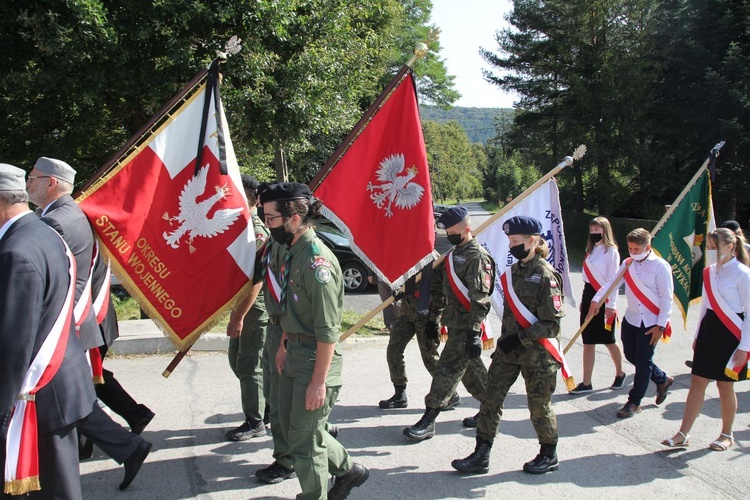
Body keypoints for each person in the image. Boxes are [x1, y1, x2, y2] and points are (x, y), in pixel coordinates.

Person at [27, 157, 152, 490]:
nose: (27, 183)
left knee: (64, 399)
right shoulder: (66, 214)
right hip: (73, 323)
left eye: (33, 177)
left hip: (63, 324)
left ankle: (125, 446)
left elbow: (50, 278)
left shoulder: (55, 222)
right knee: (74, 398)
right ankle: (126, 446)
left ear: (51, 182)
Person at [263, 182, 368, 499]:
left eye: (271, 218)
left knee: (304, 439)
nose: (268, 225)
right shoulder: (294, 252)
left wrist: (319, 382)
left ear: (293, 217)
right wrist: (282, 344)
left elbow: (327, 331)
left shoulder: (316, 262)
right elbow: (289, 307)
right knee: (287, 423)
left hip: (314, 360)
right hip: (293, 351)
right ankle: (349, 470)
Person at [0, 163, 95, 499]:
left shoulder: (16, 252)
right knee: (61, 488)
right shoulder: (41, 232)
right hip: (58, 384)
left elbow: (13, 342)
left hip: (37, 394)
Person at [452, 216, 565, 475]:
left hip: (537, 355)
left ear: (533, 241)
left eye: (516, 241)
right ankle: (481, 454)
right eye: (510, 241)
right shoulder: (514, 271)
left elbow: (551, 324)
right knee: (490, 398)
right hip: (509, 351)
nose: (512, 245)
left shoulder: (546, 275)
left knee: (539, 406)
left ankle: (549, 453)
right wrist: (507, 340)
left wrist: (521, 338)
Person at [403, 206, 491, 442]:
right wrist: (434, 319)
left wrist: (474, 333)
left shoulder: (477, 257)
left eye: (453, 231)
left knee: (446, 370)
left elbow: (480, 299)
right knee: (472, 372)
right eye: (447, 231)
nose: (449, 235)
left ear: (467, 229)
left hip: (466, 327)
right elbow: (440, 291)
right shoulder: (452, 256)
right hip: (453, 324)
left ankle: (429, 420)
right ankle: (490, 408)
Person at [662, 228, 750, 451]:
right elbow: (706, 307)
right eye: (708, 247)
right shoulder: (710, 272)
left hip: (731, 335)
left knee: (724, 386)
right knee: (697, 383)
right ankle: (683, 433)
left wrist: (745, 347)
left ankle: (726, 434)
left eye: (714, 247)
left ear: (730, 247)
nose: (710, 251)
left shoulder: (743, 274)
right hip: (709, 331)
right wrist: (697, 335)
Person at [586, 227, 674, 419]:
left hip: (651, 323)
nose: (633, 253)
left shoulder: (660, 266)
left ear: (647, 246)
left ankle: (634, 401)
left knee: (643, 361)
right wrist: (596, 299)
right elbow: (611, 283)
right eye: (630, 249)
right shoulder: (627, 264)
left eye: (637, 249)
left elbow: (667, 299)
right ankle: (662, 379)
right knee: (631, 356)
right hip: (632, 318)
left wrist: (660, 326)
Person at [225, 175, 269, 441]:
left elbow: (257, 280)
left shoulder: (256, 231)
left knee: (250, 365)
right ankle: (266, 409)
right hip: (241, 306)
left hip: (254, 309)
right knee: (239, 361)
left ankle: (255, 421)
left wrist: (239, 315)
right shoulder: (241, 226)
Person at [569, 216, 626, 393]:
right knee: (588, 341)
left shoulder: (612, 252)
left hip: (604, 298)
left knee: (608, 340)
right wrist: (583, 301)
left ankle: (620, 373)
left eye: (597, 230)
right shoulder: (590, 250)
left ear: (605, 231)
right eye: (592, 230)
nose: (594, 233)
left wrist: (611, 305)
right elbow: (587, 279)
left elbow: (614, 281)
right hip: (589, 295)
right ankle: (587, 382)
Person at [378, 271, 440, 410]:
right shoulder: (411, 256)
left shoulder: (435, 260)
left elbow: (441, 292)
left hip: (426, 313)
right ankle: (400, 394)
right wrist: (401, 291)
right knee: (394, 350)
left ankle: (447, 392)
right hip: (407, 310)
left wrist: (434, 319)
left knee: (429, 357)